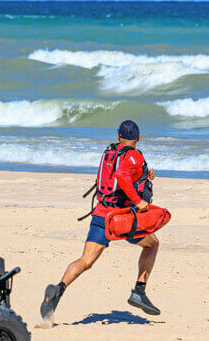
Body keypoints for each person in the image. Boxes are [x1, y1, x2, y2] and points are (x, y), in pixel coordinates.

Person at [40, 120, 160, 321]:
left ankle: (58, 290)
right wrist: (139, 201)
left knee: (85, 260)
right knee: (152, 245)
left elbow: (121, 174)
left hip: (101, 214)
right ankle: (139, 291)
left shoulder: (109, 153)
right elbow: (122, 176)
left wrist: (145, 175)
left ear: (118, 136)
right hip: (122, 219)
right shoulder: (135, 156)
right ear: (139, 138)